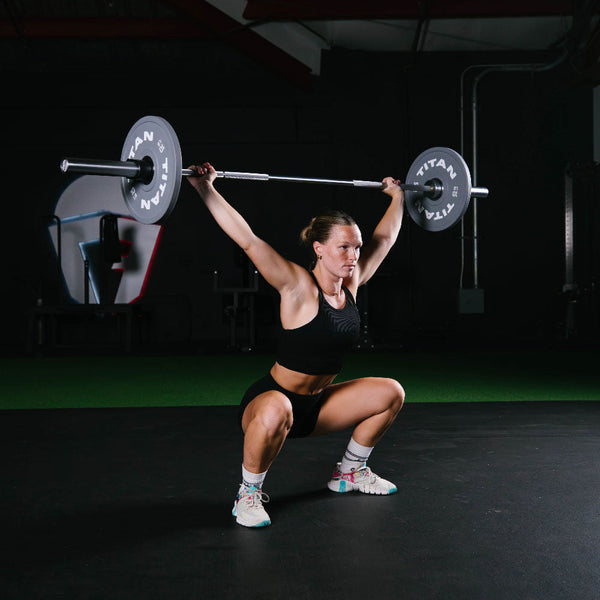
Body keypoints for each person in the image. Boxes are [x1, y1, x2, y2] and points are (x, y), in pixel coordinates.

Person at [187, 163, 406, 528]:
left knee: (390, 392)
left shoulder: (351, 284)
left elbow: (384, 240)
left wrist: (397, 197)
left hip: (318, 405)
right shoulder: (297, 286)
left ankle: (350, 473)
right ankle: (248, 494)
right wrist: (204, 188)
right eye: (343, 248)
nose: (352, 256)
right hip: (270, 403)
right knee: (278, 408)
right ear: (319, 248)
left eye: (356, 248)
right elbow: (248, 240)